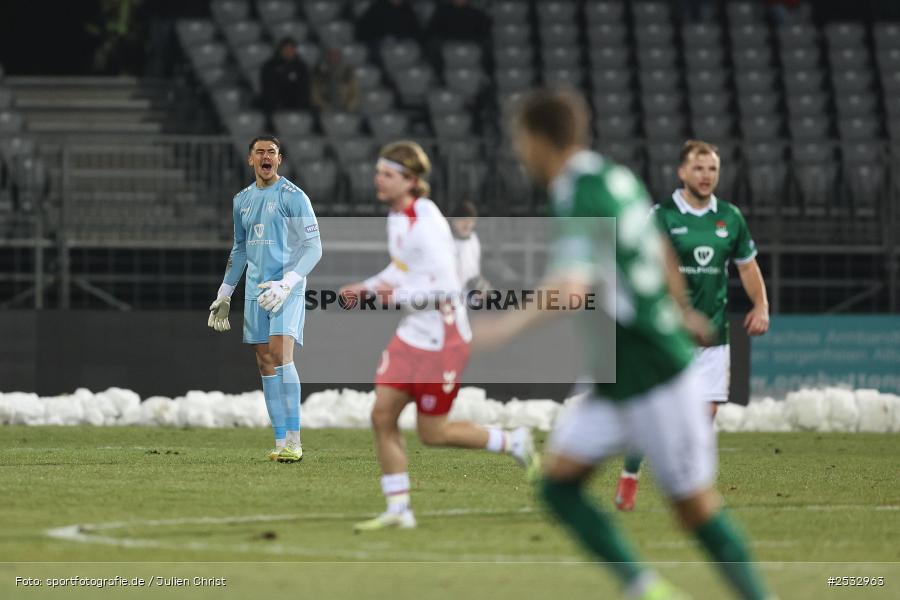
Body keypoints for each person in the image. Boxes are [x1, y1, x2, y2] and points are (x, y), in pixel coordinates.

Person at [474, 89, 774, 600]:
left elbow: (570, 288)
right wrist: (681, 309)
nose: (519, 151)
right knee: (558, 484)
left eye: (520, 140)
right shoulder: (614, 176)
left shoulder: (575, 191)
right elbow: (658, 248)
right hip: (615, 378)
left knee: (695, 509)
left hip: (654, 374)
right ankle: (646, 588)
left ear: (537, 139)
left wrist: (495, 332)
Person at [338, 141, 536, 531]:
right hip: (412, 334)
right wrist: (367, 285)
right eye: (378, 172)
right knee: (382, 415)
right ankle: (399, 509)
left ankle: (513, 443)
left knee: (434, 433)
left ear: (410, 181)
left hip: (443, 340)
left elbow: (448, 288)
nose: (378, 179)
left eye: (387, 174)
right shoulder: (397, 217)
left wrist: (394, 297)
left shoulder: (427, 223)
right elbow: (400, 270)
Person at [615, 140, 770, 512]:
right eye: (698, 168)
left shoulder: (730, 218)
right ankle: (631, 476)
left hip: (713, 334)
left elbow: (747, 267)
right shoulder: (663, 216)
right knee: (656, 412)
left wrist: (761, 304)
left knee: (706, 415)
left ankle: (690, 489)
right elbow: (643, 267)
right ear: (682, 172)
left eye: (712, 169)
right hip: (669, 333)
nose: (706, 176)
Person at [207, 135, 322, 463]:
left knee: (280, 354)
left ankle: (296, 441)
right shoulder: (241, 200)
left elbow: (314, 248)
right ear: (251, 160)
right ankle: (280, 440)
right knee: (264, 361)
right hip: (257, 290)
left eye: (271, 152)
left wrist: (287, 283)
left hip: (286, 289)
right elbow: (240, 249)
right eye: (260, 152)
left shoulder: (294, 197)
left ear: (279, 160)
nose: (265, 156)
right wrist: (225, 293)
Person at [449, 200, 490, 303]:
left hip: (472, 300)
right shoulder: (446, 243)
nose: (467, 223)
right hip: (452, 301)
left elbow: (475, 270)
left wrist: (480, 285)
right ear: (454, 220)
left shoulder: (473, 239)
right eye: (463, 219)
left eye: (471, 220)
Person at [260, 38, 311, 116]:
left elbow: (304, 88)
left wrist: (299, 104)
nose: (288, 51)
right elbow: (268, 88)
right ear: (281, 50)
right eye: (286, 49)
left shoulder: (301, 66)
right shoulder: (270, 66)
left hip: (297, 103)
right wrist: (278, 104)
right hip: (276, 104)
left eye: (291, 49)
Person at [356, 0, 423, 48]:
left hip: (404, 50)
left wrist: (408, 40)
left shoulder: (407, 10)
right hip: (381, 50)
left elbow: (417, 34)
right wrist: (380, 41)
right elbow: (361, 34)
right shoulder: (376, 9)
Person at [311, 48, 360, 113]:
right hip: (326, 109)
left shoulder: (348, 71)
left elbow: (355, 92)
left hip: (345, 108)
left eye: (336, 54)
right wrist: (323, 106)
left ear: (340, 56)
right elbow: (315, 94)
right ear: (327, 56)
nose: (333, 57)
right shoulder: (320, 73)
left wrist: (349, 107)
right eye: (331, 54)